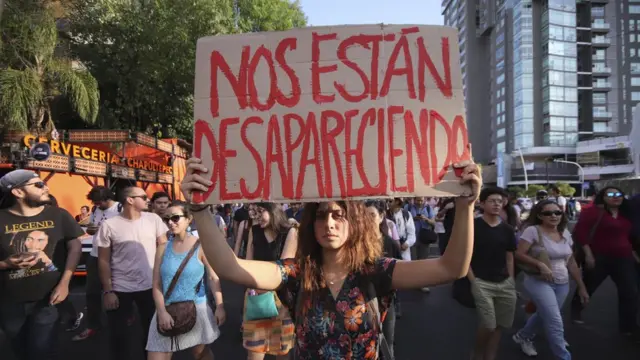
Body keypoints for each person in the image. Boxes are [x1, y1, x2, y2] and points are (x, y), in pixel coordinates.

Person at [180, 157, 480, 358]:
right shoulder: (296, 273)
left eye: (339, 215)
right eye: (322, 216)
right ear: (312, 224)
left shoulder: (376, 271)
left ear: (356, 222)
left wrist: (465, 207)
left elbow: (451, 267)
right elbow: (230, 267)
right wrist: (199, 211)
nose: (330, 223)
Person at [0, 170, 84, 360]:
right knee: (19, 350)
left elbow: (75, 246)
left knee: (43, 350)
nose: (46, 187)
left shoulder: (59, 215)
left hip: (48, 299)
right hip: (9, 302)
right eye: (38, 185)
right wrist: (4, 264)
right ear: (18, 192)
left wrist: (64, 283)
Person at [96, 187, 168, 360]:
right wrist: (108, 291)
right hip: (120, 288)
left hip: (150, 285)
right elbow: (103, 260)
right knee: (119, 337)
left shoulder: (154, 219)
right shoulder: (109, 225)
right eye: (143, 197)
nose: (148, 199)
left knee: (153, 333)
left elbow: (164, 248)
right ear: (129, 200)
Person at [147, 202, 224, 359]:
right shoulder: (162, 248)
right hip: (166, 308)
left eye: (175, 218)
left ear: (189, 219)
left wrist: (220, 306)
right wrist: (161, 311)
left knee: (200, 353)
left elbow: (212, 277)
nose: (170, 222)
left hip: (196, 309)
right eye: (166, 219)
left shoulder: (201, 246)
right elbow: (156, 283)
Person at [512, 200, 589, 359]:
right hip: (538, 280)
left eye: (557, 212)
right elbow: (518, 254)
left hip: (562, 283)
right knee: (555, 321)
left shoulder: (565, 233)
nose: (553, 216)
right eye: (548, 213)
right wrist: (539, 264)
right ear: (540, 216)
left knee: (544, 313)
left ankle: (523, 336)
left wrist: (581, 286)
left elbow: (571, 261)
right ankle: (563, 356)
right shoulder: (533, 231)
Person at [570, 187, 638, 337]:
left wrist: (634, 255)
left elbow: (630, 237)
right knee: (589, 286)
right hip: (599, 257)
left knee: (630, 292)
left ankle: (628, 327)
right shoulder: (593, 212)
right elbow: (581, 233)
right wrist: (588, 255)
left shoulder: (626, 213)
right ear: (603, 197)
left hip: (623, 258)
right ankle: (575, 310)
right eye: (611, 194)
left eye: (618, 194)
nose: (616, 197)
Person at [241, 202, 297, 360]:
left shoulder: (290, 232)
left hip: (281, 301)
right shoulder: (254, 231)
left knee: (282, 353)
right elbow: (248, 265)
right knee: (254, 352)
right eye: (254, 212)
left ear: (274, 210)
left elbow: (283, 270)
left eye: (261, 211)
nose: (257, 216)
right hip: (257, 299)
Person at [468, 187, 517, 360]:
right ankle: (477, 354)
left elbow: (509, 256)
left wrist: (511, 279)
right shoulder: (473, 226)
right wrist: (473, 280)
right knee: (488, 324)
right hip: (482, 282)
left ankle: (490, 356)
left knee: (500, 325)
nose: (497, 204)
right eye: (492, 201)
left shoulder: (507, 229)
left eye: (500, 201)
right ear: (482, 203)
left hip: (504, 282)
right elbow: (465, 255)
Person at [74, 186, 121, 341]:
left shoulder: (120, 208)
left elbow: (125, 231)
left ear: (107, 198)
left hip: (115, 256)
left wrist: (103, 229)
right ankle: (93, 325)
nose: (97, 205)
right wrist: (92, 230)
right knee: (92, 292)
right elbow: (92, 229)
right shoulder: (95, 209)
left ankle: (119, 323)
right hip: (95, 254)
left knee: (118, 291)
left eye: (99, 202)